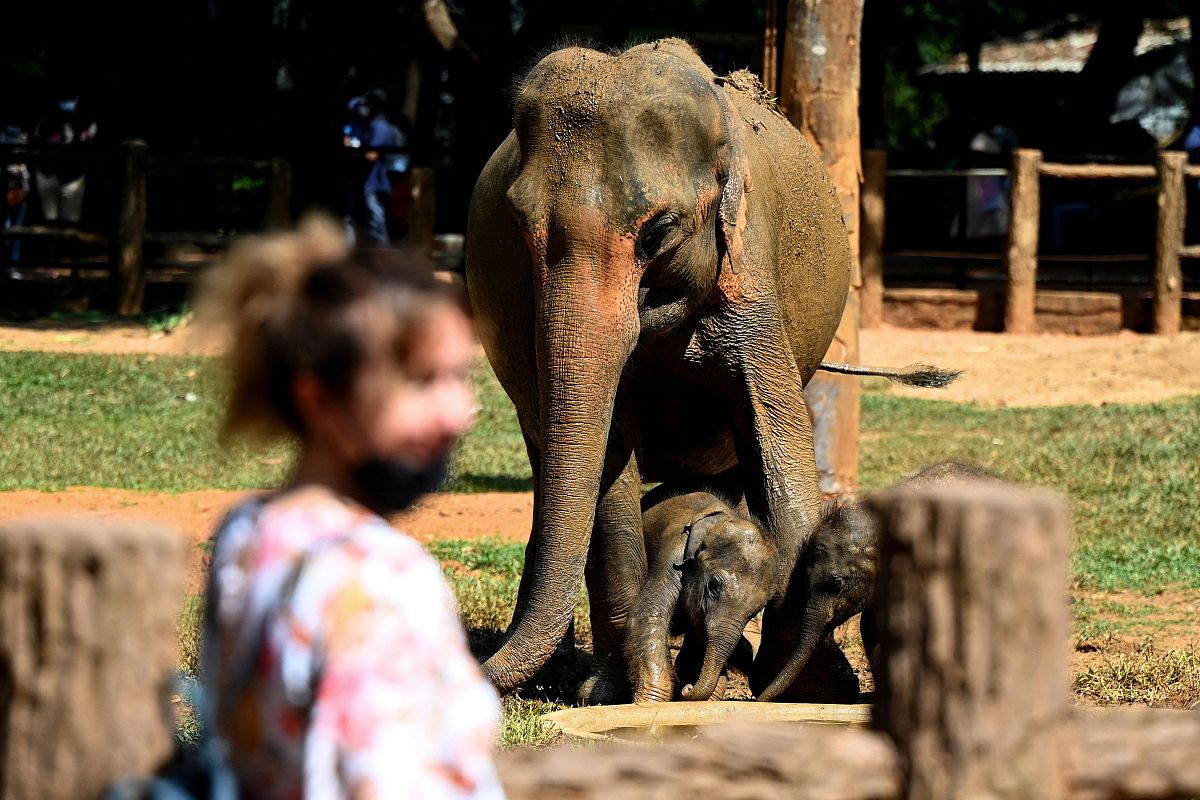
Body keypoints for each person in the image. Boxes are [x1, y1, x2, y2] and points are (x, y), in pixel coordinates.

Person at [196, 217, 503, 799]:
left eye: (459, 377)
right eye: (421, 381)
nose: (460, 412)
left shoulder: (246, 532)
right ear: (320, 402)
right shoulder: (377, 577)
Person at [343, 89, 408, 246]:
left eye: (368, 105)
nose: (365, 108)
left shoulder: (381, 127)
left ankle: (381, 251)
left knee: (375, 214)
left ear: (375, 106)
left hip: (376, 180)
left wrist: (356, 151)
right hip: (371, 180)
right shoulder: (373, 125)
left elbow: (373, 155)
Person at [32, 95, 97, 226]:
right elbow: (36, 143)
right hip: (47, 176)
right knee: (49, 223)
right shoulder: (45, 121)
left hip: (72, 180)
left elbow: (90, 147)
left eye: (72, 98)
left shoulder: (87, 122)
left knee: (70, 225)